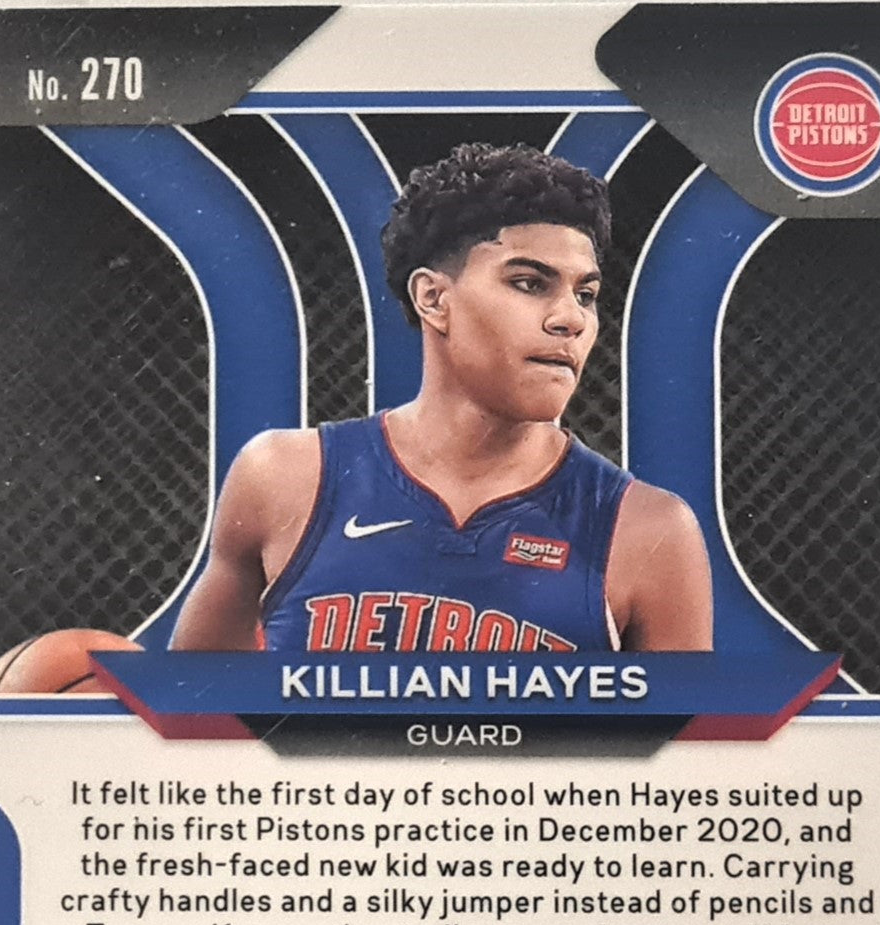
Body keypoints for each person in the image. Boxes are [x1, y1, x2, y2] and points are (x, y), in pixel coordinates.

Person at [170, 142, 712, 654]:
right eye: (530, 283)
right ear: (433, 298)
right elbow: (188, 709)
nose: (570, 318)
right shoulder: (283, 478)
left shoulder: (650, 530)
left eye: (586, 294)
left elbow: (691, 730)